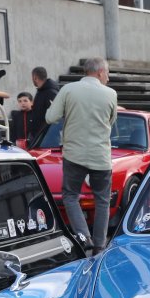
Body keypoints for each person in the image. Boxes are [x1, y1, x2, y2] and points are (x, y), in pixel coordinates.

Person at [45, 57, 118, 254]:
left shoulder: (68, 90)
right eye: (107, 73)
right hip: (101, 156)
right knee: (102, 200)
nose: (108, 78)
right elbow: (111, 121)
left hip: (74, 154)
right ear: (100, 72)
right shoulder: (111, 94)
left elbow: (50, 117)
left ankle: (84, 237)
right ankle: (99, 245)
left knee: (70, 196)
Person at [29, 66, 61, 145]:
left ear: (35, 77)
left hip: (46, 138)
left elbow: (55, 115)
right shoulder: (42, 91)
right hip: (39, 136)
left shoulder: (50, 92)